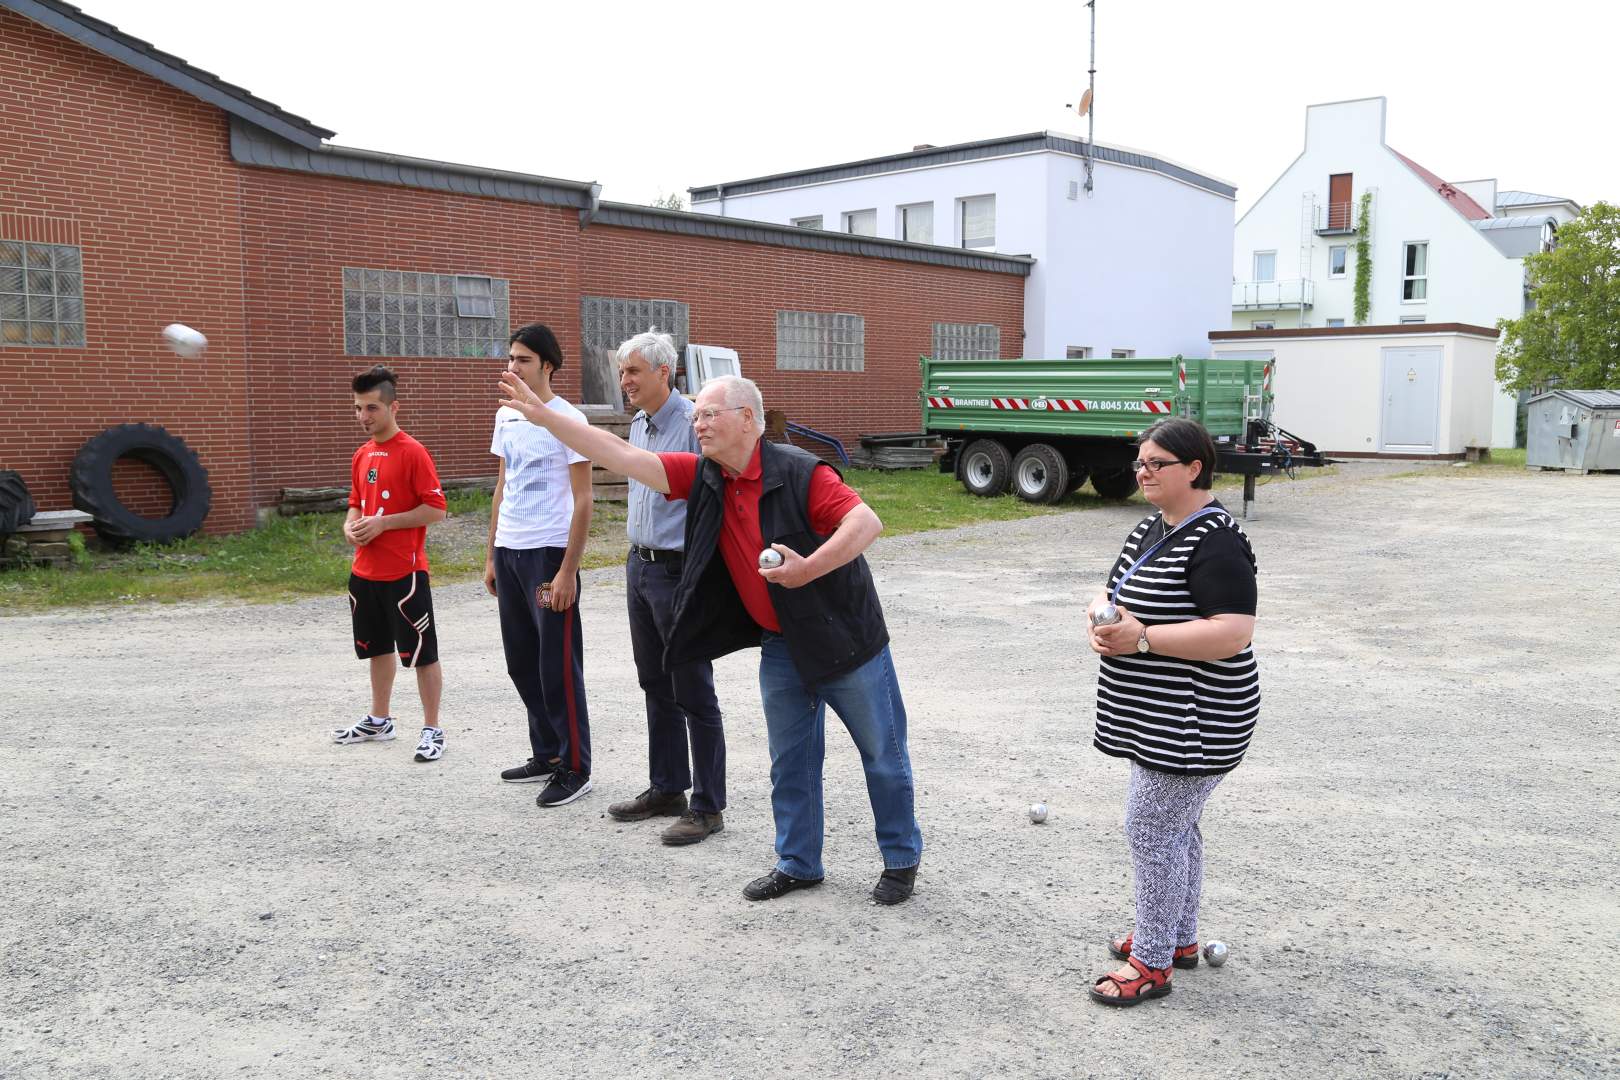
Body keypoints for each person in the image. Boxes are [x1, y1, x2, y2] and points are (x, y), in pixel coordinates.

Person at [497, 369, 923, 905]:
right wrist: (543, 416)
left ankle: (901, 860)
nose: (697, 423)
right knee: (790, 759)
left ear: (748, 419)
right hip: (780, 644)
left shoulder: (800, 472)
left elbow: (866, 523)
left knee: (882, 753)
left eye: (708, 414)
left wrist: (808, 568)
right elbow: (620, 454)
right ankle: (798, 862)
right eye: (695, 415)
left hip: (846, 640)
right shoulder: (706, 476)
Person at [1084, 417, 1260, 1006]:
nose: (1142, 471)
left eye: (1156, 463)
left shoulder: (1218, 540)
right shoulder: (1152, 528)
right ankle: (1178, 938)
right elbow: (1115, 593)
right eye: (1140, 461)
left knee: (1151, 829)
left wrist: (1140, 640)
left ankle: (1152, 963)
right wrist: (1102, 619)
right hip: (1156, 712)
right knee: (1174, 826)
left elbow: (1232, 633)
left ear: (1194, 469)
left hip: (1198, 717)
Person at [605, 331, 728, 846]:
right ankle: (668, 787)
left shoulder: (695, 423)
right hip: (641, 567)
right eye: (622, 371)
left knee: (692, 689)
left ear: (664, 372)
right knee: (654, 682)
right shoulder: (639, 423)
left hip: (679, 573)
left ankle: (707, 806)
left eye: (633, 371)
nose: (624, 380)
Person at [485, 324, 595, 808]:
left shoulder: (568, 419)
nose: (513, 368)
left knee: (558, 667)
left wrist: (568, 569)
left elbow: (584, 497)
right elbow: (502, 485)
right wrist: (491, 553)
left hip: (548, 553)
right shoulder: (507, 417)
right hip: (510, 551)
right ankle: (547, 753)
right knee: (521, 662)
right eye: (511, 358)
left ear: (547, 365)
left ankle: (575, 768)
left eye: (523, 360)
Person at [332, 365, 449, 763]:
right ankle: (379, 720)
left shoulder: (413, 452)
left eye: (372, 408)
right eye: (358, 408)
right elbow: (355, 501)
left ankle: (433, 728)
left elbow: (436, 509)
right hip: (365, 572)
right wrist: (351, 525)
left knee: (421, 654)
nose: (364, 417)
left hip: (406, 573)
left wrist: (384, 523)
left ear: (393, 406)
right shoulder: (362, 454)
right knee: (376, 648)